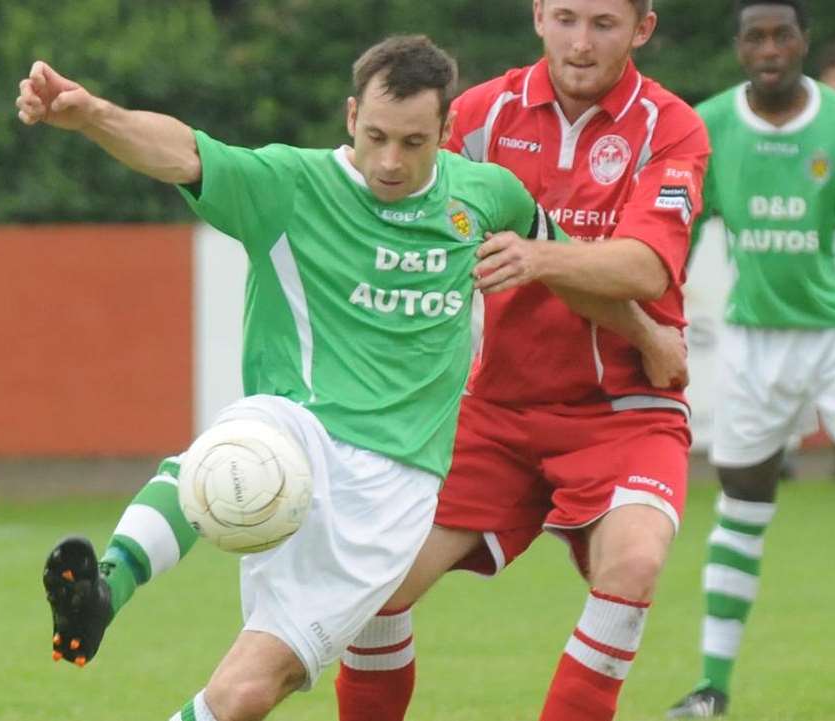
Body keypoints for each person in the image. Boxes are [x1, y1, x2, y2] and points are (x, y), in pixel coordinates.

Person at [17, 35, 681, 721]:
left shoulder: (486, 196)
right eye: (376, 136)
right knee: (226, 451)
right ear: (349, 117)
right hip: (297, 425)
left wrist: (648, 333)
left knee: (243, 694)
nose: (390, 161)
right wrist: (93, 114)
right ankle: (106, 584)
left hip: (390, 489)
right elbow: (183, 151)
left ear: (448, 132)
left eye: (414, 142)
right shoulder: (292, 184)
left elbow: (567, 272)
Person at [332, 2, 709, 721]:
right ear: (538, 15)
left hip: (623, 409)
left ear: (642, 29)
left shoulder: (670, 128)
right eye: (565, 17)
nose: (580, 41)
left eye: (603, 23)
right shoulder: (476, 117)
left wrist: (537, 254)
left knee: (632, 560)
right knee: (375, 585)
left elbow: (642, 269)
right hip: (494, 410)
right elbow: (389, 206)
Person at [667, 2, 835, 718]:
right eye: (756, 36)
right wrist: (656, 314)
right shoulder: (709, 125)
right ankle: (711, 687)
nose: (770, 47)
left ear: (802, 42)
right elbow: (679, 231)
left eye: (783, 34)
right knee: (740, 510)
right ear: (738, 47)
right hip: (753, 344)